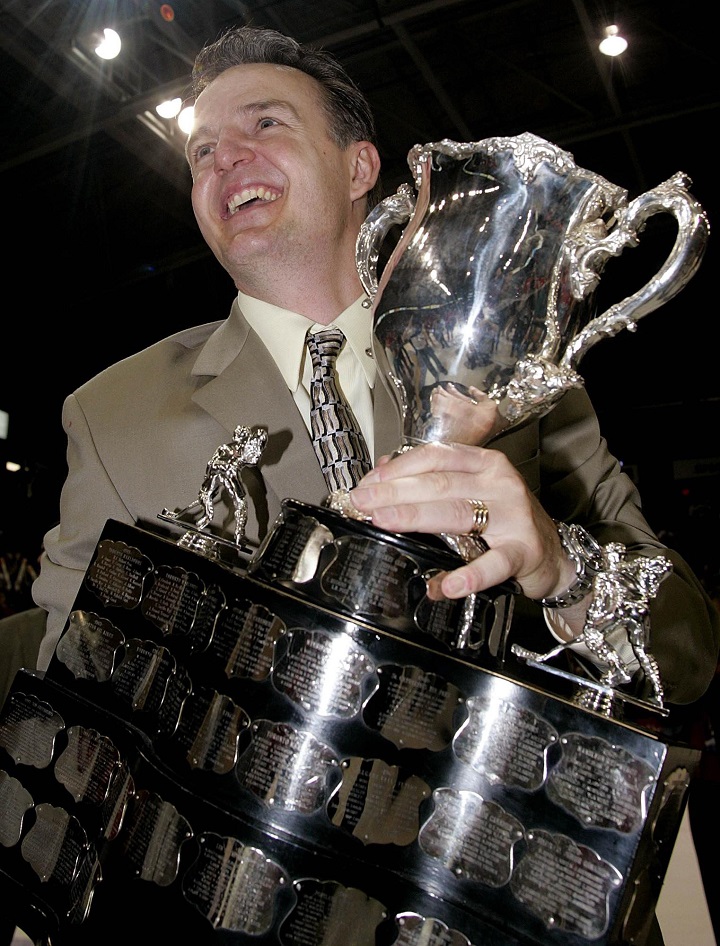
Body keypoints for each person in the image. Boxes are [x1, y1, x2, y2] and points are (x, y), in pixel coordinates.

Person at [24, 24, 720, 946]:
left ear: (361, 169)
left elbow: (691, 651)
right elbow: (63, 707)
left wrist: (564, 568)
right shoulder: (110, 413)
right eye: (199, 151)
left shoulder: (523, 381)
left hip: (503, 897)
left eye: (263, 123)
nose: (223, 157)